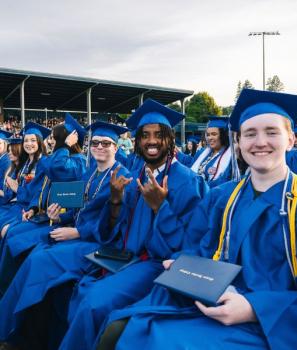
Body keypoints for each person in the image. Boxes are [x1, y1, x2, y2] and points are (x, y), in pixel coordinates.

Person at [101, 89, 297, 350]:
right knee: (120, 328)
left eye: (271, 132)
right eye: (250, 134)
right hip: (209, 303)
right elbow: (197, 247)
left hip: (273, 326)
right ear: (239, 142)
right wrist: (184, 265)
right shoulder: (222, 198)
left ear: (290, 139)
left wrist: (256, 307)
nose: (260, 141)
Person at [58, 99, 208, 350]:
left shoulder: (188, 182)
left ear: (171, 140)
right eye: (145, 135)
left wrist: (160, 207)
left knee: (94, 302)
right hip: (123, 257)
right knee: (74, 287)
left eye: (159, 135)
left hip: (157, 266)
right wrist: (116, 201)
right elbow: (114, 232)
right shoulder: (134, 178)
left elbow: (190, 247)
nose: (152, 141)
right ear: (136, 142)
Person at [0, 121, 130, 350]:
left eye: (106, 143)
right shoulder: (91, 171)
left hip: (97, 241)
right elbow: (79, 207)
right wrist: (60, 216)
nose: (100, 147)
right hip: (75, 232)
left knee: (40, 260)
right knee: (34, 252)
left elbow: (114, 222)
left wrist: (77, 231)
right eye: (96, 143)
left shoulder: (121, 176)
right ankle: (19, 329)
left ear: (116, 147)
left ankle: (16, 329)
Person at [0, 115, 87, 294]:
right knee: (13, 235)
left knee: (16, 238)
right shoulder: (54, 158)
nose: (50, 142)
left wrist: (64, 146)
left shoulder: (78, 161)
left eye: (54, 138)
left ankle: (8, 287)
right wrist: (33, 208)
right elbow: (43, 189)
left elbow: (59, 168)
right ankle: (7, 285)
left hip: (63, 219)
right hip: (45, 214)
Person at [177, 116, 232, 188]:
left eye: (214, 134)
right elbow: (191, 164)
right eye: (208, 135)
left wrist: (199, 187)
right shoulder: (202, 153)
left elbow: (224, 183)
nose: (210, 138)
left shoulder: (230, 158)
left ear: (223, 135)